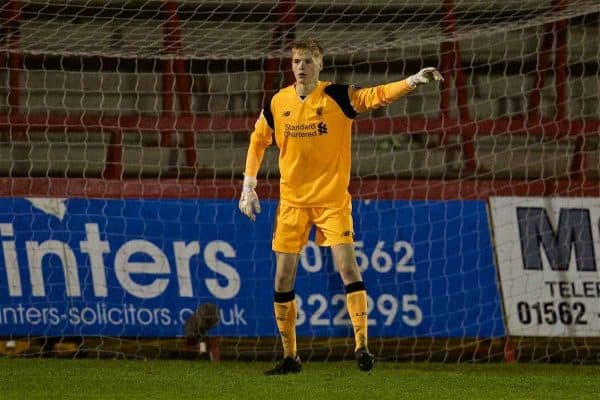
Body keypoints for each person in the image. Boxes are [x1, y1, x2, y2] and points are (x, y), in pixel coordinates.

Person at [239, 38, 442, 375]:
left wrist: (411, 82)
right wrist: (249, 186)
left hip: (332, 202)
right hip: (292, 203)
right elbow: (258, 140)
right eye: (295, 62)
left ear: (320, 64)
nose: (300, 67)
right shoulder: (278, 102)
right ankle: (291, 356)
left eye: (307, 61)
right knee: (282, 277)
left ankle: (362, 346)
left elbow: (375, 96)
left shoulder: (337, 96)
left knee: (348, 268)